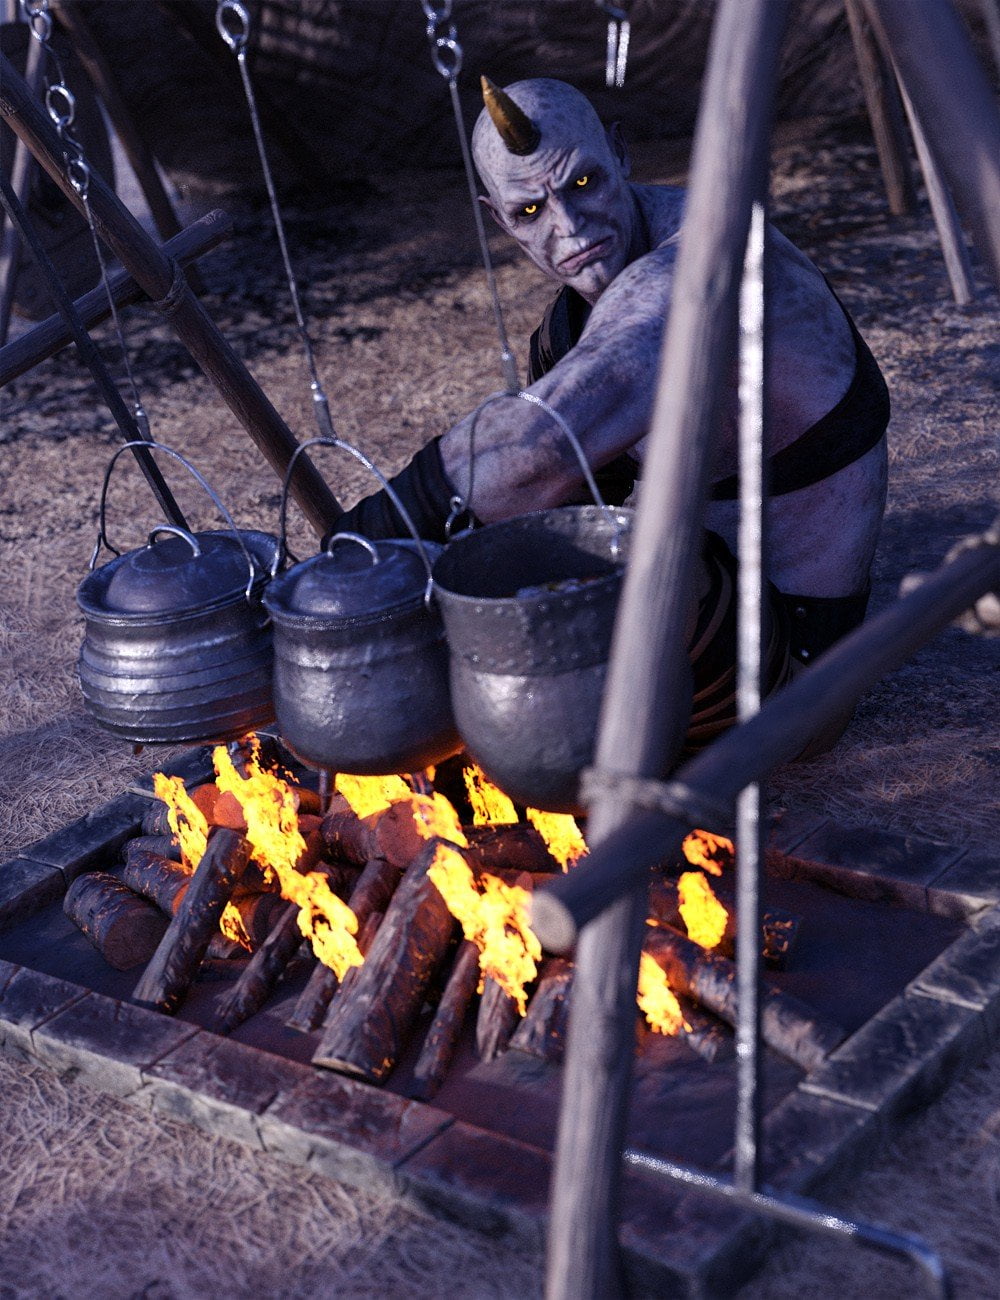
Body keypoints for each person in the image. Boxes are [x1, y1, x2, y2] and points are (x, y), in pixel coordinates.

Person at [328, 77, 889, 755]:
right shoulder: (572, 324)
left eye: (586, 182)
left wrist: (353, 548)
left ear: (621, 154)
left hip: (789, 677)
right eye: (530, 209)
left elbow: (535, 454)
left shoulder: (702, 262)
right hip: (711, 605)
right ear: (498, 219)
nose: (570, 228)